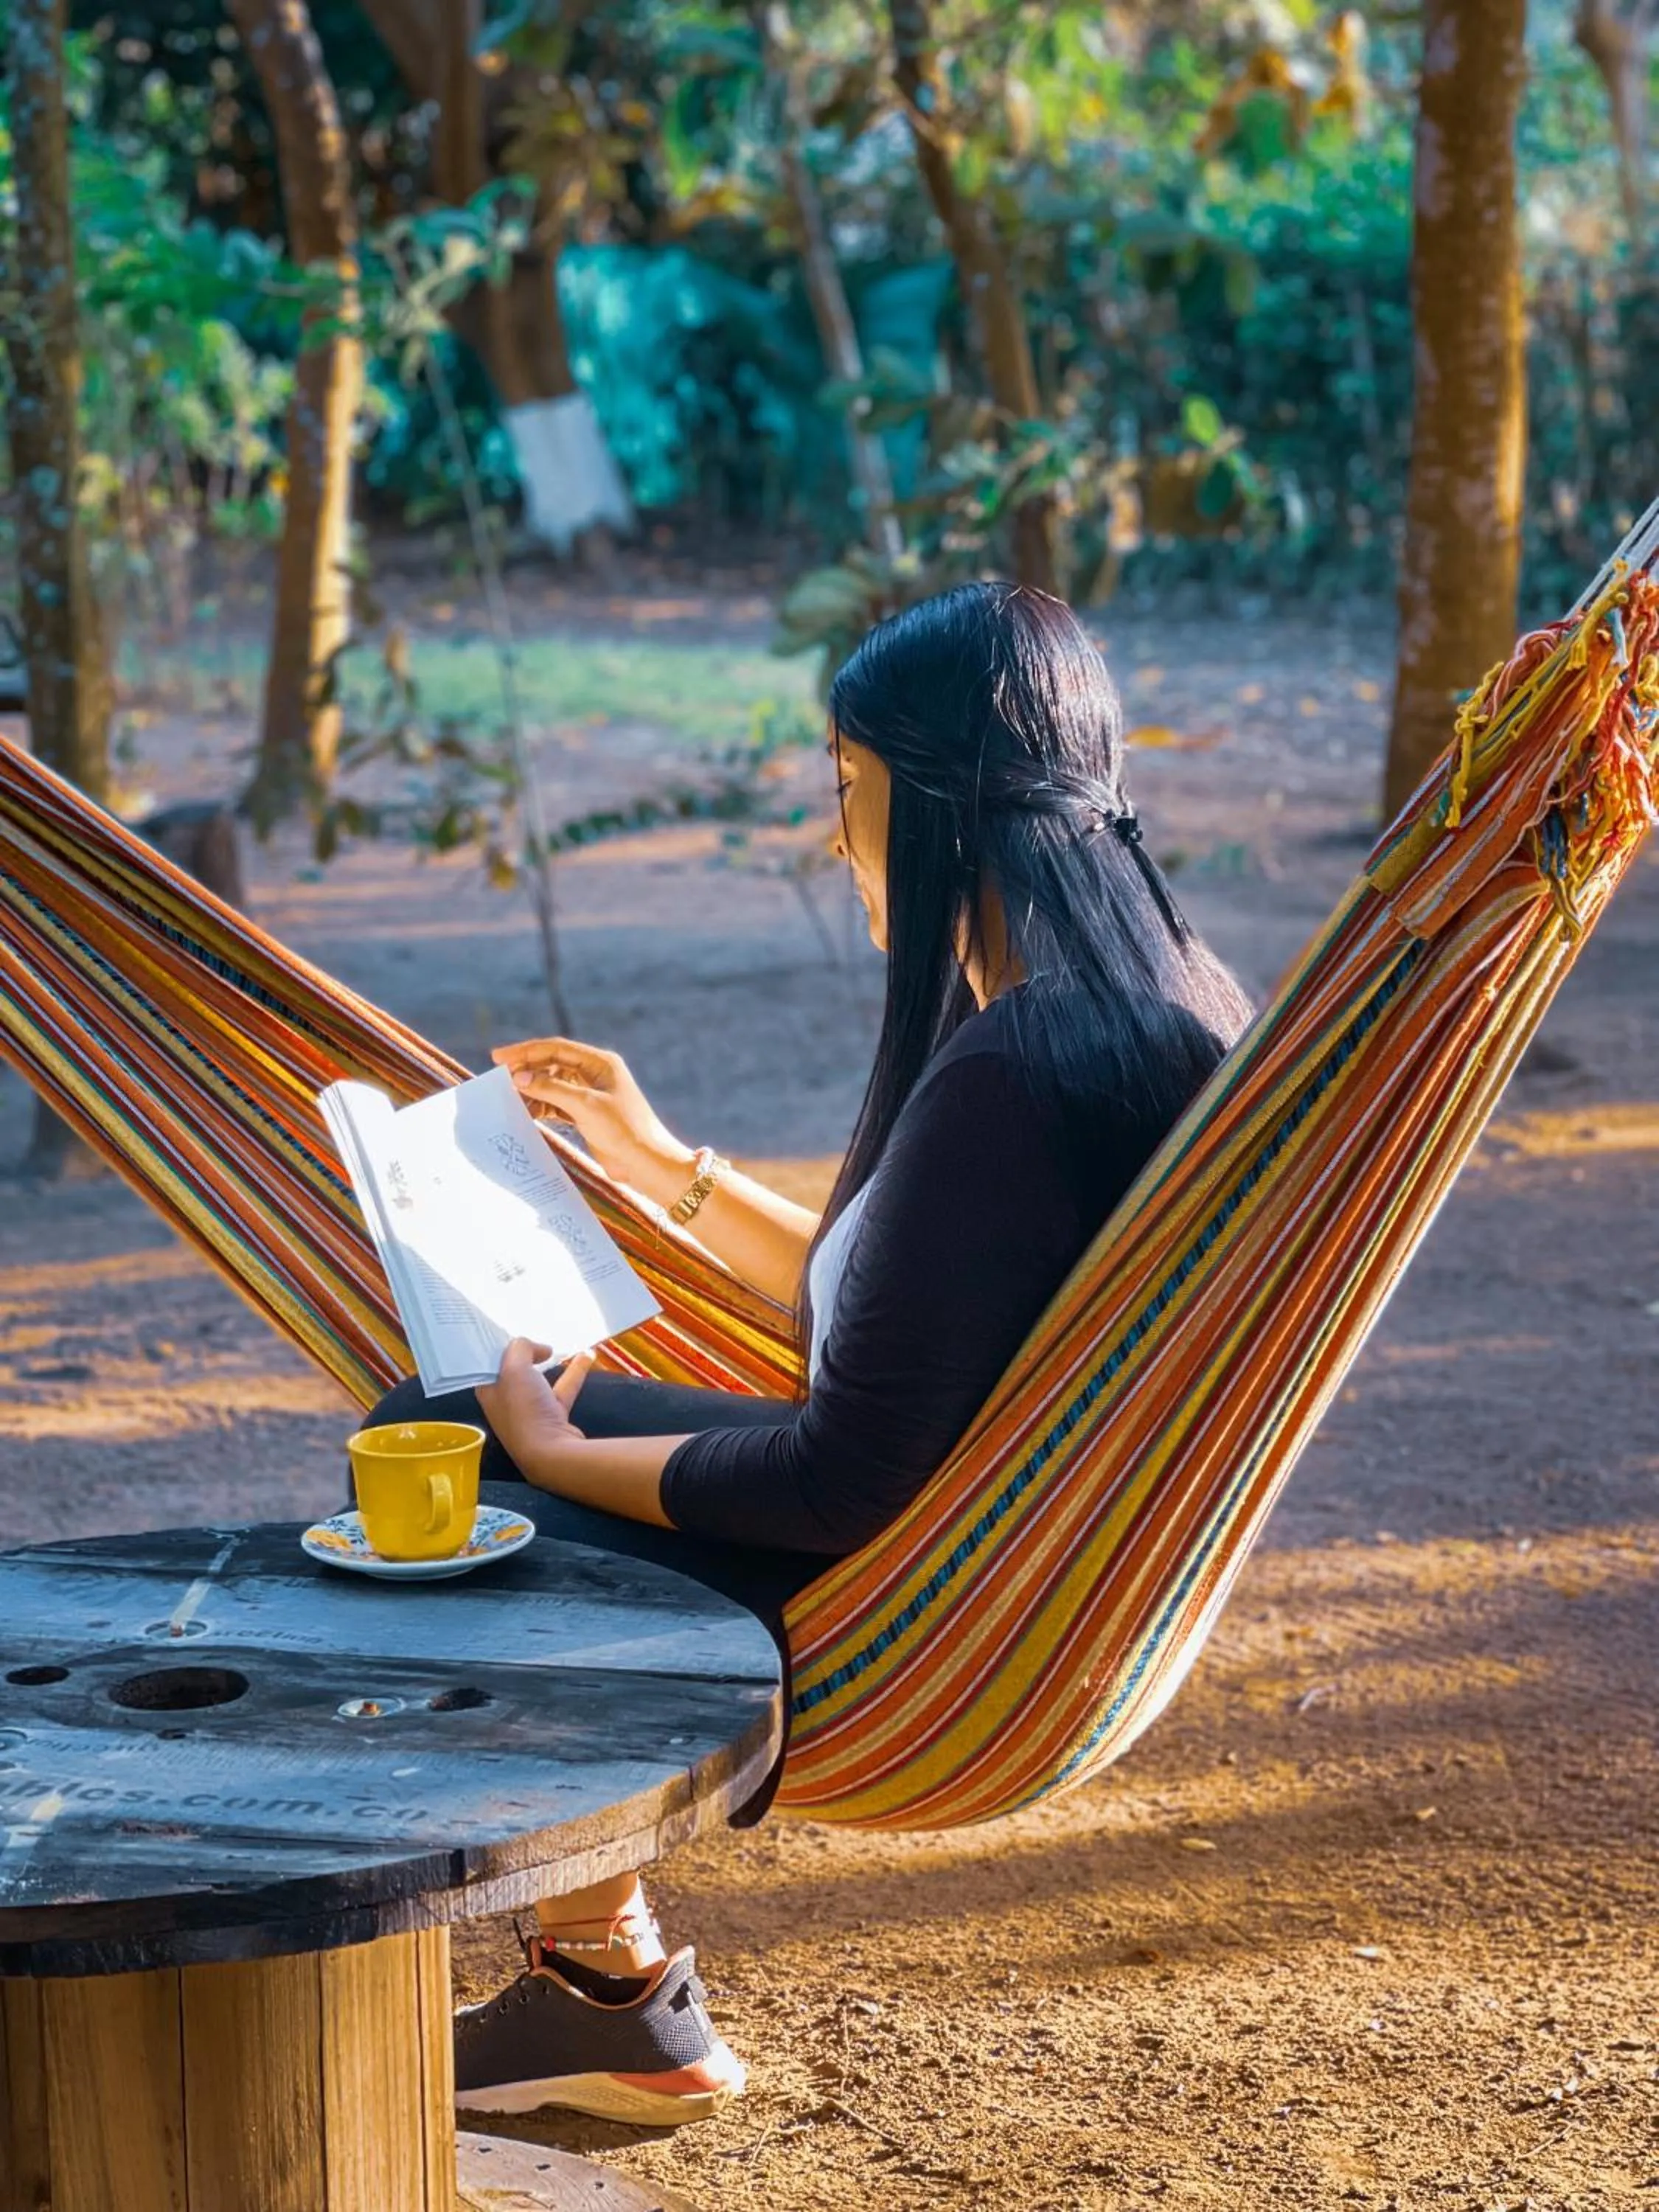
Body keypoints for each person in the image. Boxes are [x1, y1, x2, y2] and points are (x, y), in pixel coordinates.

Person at [365, 580, 1255, 2127]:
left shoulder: (1012, 1069)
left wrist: (563, 1452)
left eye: (848, 787)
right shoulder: (1147, 1005)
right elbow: (920, 1298)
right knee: (447, 1409)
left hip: (895, 1592)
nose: (835, 837)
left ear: (936, 801)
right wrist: (665, 1169)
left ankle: (604, 1993)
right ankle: (603, 1988)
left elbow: (841, 1474)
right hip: (975, 1543)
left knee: (449, 1465)